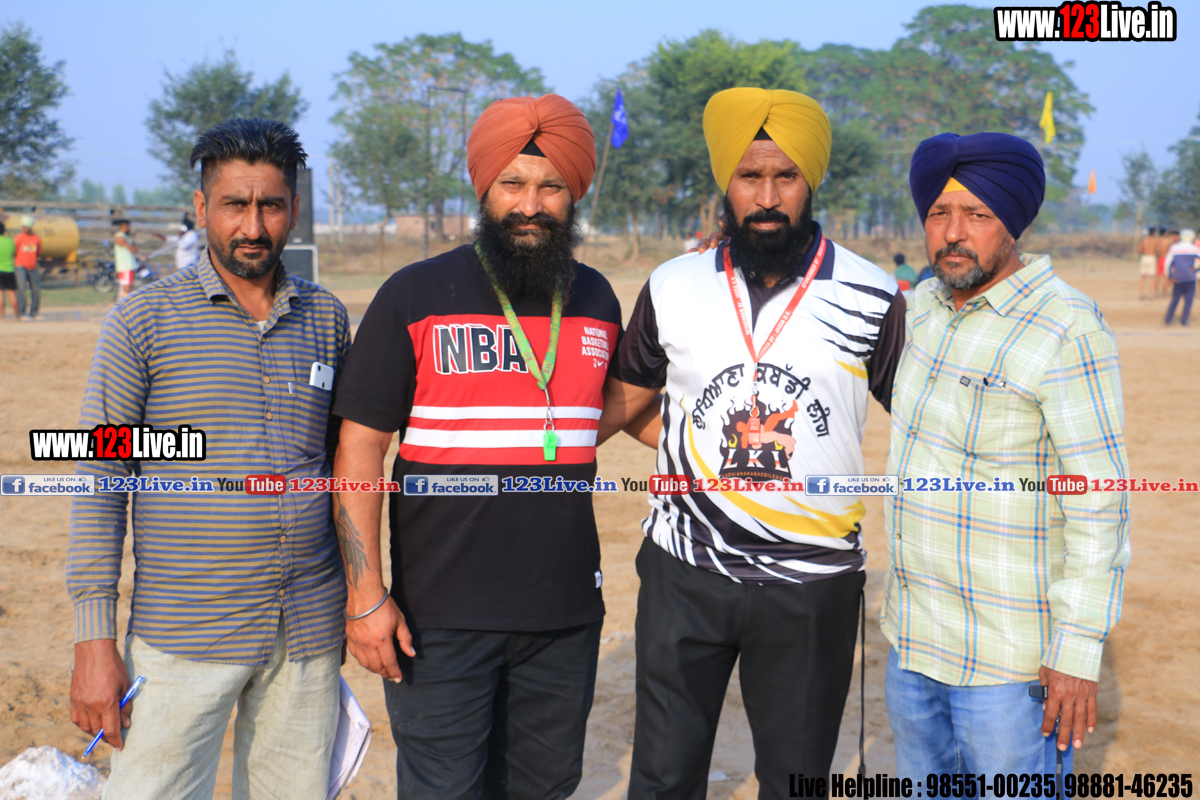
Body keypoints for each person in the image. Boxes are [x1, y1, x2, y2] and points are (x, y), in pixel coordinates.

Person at [598, 88, 906, 799]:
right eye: (749, 176)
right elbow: (627, 402)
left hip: (813, 581)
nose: (767, 197)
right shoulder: (672, 285)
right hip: (684, 569)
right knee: (663, 778)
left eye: (786, 176)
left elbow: (924, 425)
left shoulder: (873, 294)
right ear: (725, 184)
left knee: (796, 782)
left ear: (811, 181)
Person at [331, 93, 626, 800]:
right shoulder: (414, 294)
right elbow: (361, 447)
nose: (530, 204)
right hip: (439, 617)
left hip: (564, 615)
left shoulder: (596, 299)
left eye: (550, 186)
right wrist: (365, 595)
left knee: (544, 788)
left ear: (574, 194)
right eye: (512, 184)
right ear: (483, 189)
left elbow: (611, 409)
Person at [67, 118, 350, 800]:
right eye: (233, 205)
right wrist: (93, 642)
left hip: (307, 634)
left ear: (294, 209)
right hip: (182, 634)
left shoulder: (328, 318)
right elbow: (100, 479)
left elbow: (347, 467)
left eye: (270, 205)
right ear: (201, 208)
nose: (252, 226)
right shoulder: (142, 321)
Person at [885, 131, 1131, 776]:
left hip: (1010, 667)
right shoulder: (923, 310)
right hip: (913, 646)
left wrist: (1076, 653)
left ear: (1013, 223)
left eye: (977, 214)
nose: (953, 233)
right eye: (939, 213)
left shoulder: (1065, 326)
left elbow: (1099, 503)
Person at [1162, 228, 1200, 326]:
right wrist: (1196, 270)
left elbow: (1167, 264)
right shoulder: (1195, 248)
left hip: (1177, 278)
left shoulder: (1174, 248)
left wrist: (1170, 277)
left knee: (1174, 300)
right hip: (1190, 278)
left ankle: (1167, 321)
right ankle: (1184, 321)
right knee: (1188, 301)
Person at [13, 215, 41, 321]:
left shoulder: (37, 239)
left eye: (26, 227)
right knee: (21, 289)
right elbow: (14, 252)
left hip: (33, 267)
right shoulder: (18, 239)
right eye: (23, 227)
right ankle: (22, 312)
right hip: (20, 266)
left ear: (30, 227)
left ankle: (34, 312)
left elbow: (39, 252)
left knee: (36, 290)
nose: (24, 228)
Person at [113, 218, 137, 300]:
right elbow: (132, 249)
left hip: (129, 265)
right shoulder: (120, 237)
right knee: (125, 288)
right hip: (125, 266)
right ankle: (123, 303)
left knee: (128, 287)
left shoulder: (126, 237)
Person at [0, 221, 19, 321]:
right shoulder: (10, 241)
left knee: (1, 294)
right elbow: (14, 254)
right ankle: (16, 316)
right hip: (10, 270)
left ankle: (3, 317)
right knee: (12, 294)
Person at [1136, 225, 1158, 300]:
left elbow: (1140, 250)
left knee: (1143, 277)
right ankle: (1150, 295)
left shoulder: (1143, 240)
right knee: (1152, 277)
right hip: (1152, 257)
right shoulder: (1155, 240)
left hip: (1144, 257)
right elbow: (1157, 250)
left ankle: (1141, 294)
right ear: (1154, 232)